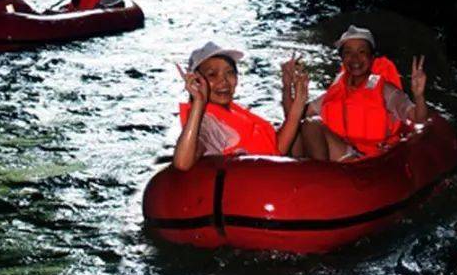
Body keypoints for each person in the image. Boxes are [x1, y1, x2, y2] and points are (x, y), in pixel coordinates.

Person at [289, 26, 428, 161]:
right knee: (301, 128)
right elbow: (294, 116)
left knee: (311, 125)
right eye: (348, 53)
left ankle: (321, 174)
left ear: (372, 57)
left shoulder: (386, 91)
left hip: (371, 161)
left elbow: (418, 118)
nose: (355, 58)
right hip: (343, 154)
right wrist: (287, 86)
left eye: (362, 52)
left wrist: (419, 96)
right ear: (342, 58)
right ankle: (304, 171)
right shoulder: (335, 91)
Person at [173, 41, 308, 171]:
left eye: (230, 72)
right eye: (212, 75)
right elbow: (182, 163)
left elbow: (276, 149)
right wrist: (198, 102)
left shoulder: (232, 113)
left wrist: (288, 88)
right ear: (196, 82)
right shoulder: (209, 123)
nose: (224, 81)